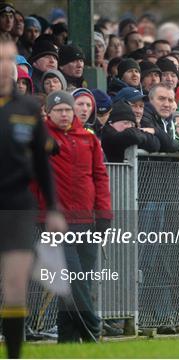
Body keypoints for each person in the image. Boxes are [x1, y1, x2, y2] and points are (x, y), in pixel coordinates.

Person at [0, 38, 66, 358]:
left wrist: (52, 208)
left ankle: (13, 355)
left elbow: (42, 162)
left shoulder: (27, 109)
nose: (4, 67)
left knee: (15, 285)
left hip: (16, 205)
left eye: (8, 60)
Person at [40, 90, 111, 343]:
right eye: (58, 110)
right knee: (73, 280)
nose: (64, 114)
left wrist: (104, 215)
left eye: (67, 109)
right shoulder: (42, 137)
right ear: (48, 112)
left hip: (87, 221)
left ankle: (67, 342)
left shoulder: (88, 139)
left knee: (82, 281)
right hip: (55, 222)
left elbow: (100, 176)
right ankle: (93, 328)